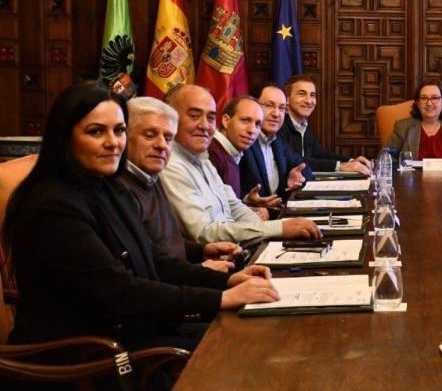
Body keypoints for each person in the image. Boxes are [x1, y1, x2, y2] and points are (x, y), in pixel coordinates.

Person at [3, 82, 280, 354]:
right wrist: (221, 298)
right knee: (247, 347)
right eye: (96, 131)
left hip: (136, 331)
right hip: (85, 358)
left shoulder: (106, 186)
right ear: (64, 137)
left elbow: (152, 258)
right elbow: (121, 291)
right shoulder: (51, 206)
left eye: (119, 130)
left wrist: (227, 281)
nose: (113, 142)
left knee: (263, 333)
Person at [161, 84, 321, 246]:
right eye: (194, 116)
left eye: (210, 118)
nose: (205, 126)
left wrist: (265, 230)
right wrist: (277, 228)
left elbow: (235, 206)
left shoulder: (201, 158)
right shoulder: (170, 165)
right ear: (169, 120)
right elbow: (203, 233)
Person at [118, 96, 240, 273]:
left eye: (168, 138)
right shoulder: (119, 189)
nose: (161, 145)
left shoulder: (151, 176)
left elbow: (162, 246)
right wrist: (199, 271)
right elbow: (142, 272)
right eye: (150, 135)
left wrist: (201, 251)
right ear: (124, 137)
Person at [280, 74, 371, 175]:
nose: (309, 101)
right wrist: (340, 166)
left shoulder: (303, 126)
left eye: (312, 95)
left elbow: (321, 154)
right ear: (287, 99)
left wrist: (351, 161)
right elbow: (295, 160)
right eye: (302, 94)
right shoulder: (280, 126)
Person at [209, 95, 282, 217]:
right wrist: (250, 216)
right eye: (245, 120)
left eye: (258, 124)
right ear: (226, 121)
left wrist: (246, 201)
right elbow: (214, 218)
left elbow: (225, 204)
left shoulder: (232, 153)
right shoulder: (211, 153)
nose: (252, 130)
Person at [240, 83, 313, 202]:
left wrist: (296, 175)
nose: (276, 114)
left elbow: (304, 167)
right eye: (269, 105)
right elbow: (228, 190)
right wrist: (247, 201)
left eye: (282, 108)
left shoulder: (277, 141)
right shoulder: (244, 140)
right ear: (253, 106)